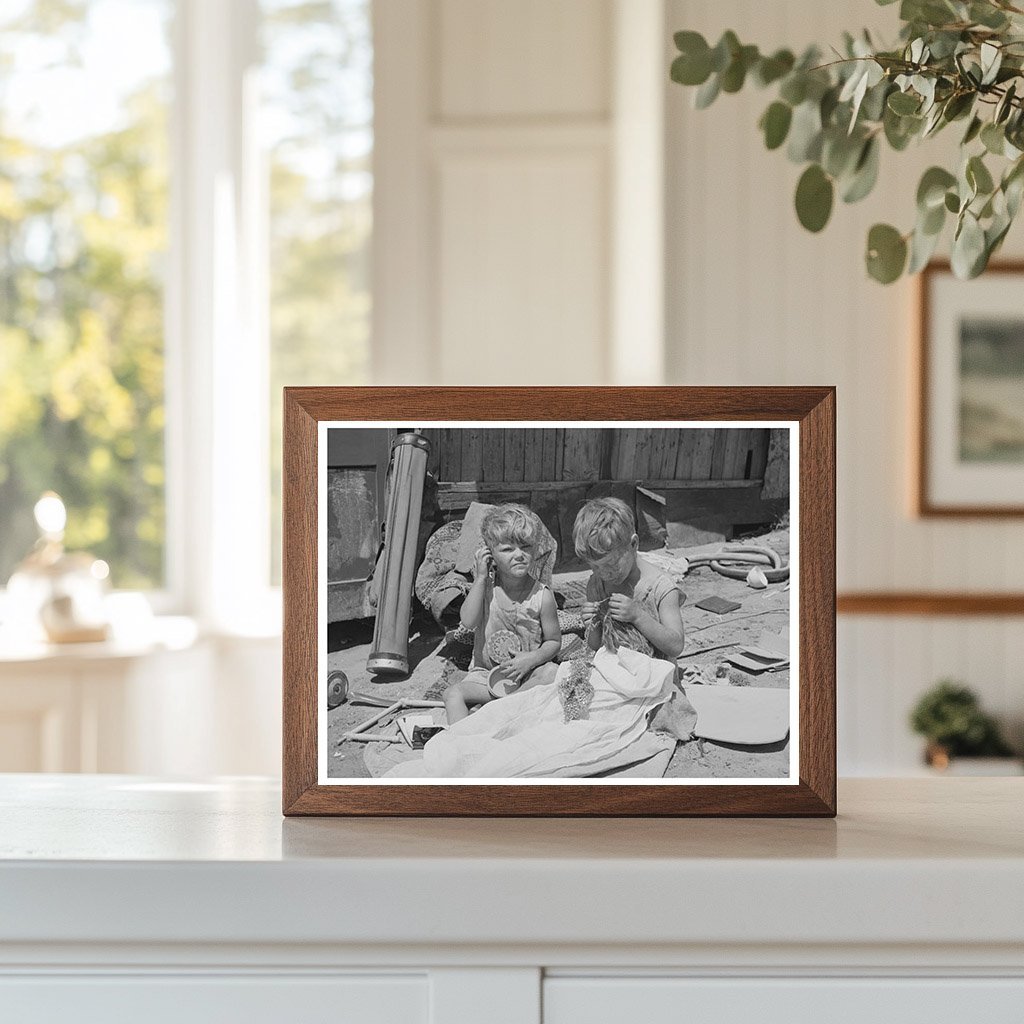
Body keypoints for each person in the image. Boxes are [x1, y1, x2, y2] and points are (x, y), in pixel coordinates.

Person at [444, 504, 561, 724]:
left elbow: (554, 641)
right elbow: (468, 622)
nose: (518, 555)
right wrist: (479, 578)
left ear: (535, 550)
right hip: (486, 677)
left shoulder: (542, 597)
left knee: (552, 673)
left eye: (525, 547)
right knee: (452, 694)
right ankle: (462, 742)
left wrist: (531, 659)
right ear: (491, 554)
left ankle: (497, 713)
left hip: (526, 678)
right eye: (508, 549)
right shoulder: (486, 589)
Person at [574, 497, 685, 660]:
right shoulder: (596, 585)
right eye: (595, 566)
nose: (604, 573)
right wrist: (592, 625)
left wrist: (637, 616)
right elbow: (595, 646)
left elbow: (676, 646)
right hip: (615, 673)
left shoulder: (661, 588)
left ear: (633, 544)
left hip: (654, 677)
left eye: (612, 564)